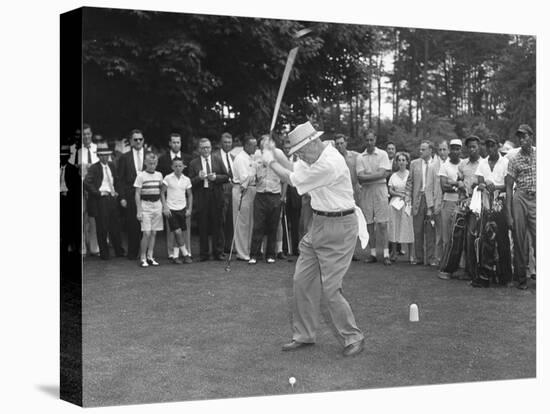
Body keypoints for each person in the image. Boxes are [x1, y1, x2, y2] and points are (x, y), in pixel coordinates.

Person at [261, 121, 367, 357]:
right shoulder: (314, 156)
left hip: (340, 228)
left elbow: (293, 179)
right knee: (301, 280)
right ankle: (304, 335)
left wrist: (269, 161)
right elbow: (295, 169)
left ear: (312, 142)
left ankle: (353, 337)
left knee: (330, 289)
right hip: (319, 223)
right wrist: (273, 151)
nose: (299, 156)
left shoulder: (330, 163)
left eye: (300, 152)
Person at [472, 135, 512, 287]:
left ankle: (505, 277)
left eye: (493, 145)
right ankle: (484, 277)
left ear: (498, 146)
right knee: (486, 240)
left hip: (500, 203)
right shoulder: (483, 163)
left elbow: (509, 185)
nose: (490, 148)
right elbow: (479, 182)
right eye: (488, 146)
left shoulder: (506, 162)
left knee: (502, 241)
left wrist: (495, 186)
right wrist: (484, 186)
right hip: (486, 203)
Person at [188, 138, 229, 261]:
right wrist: (198, 178)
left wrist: (216, 177)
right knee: (203, 225)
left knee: (218, 224)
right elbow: (189, 182)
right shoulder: (193, 163)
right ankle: (204, 254)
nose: (206, 150)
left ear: (211, 148)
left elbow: (227, 176)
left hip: (216, 196)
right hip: (202, 196)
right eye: (203, 148)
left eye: (208, 147)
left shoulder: (217, 159)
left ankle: (218, 252)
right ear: (199, 149)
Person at [506, 124, 536, 290]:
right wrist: (509, 214)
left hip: (537, 197)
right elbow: (509, 187)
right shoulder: (514, 158)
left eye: (525, 136)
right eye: (520, 137)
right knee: (519, 238)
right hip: (520, 197)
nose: (523, 140)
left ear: (531, 137)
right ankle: (521, 278)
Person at [84, 141, 125, 260]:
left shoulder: (112, 166)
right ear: (98, 156)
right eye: (102, 155)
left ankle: (119, 251)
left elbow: (116, 181)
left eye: (107, 155)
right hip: (101, 200)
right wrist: (98, 192)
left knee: (115, 226)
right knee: (102, 227)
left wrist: (119, 194)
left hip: (112, 198)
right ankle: (104, 253)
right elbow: (86, 182)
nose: (105, 157)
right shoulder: (94, 168)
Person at [356, 129, 392, 265]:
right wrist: (378, 174)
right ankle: (372, 253)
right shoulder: (360, 157)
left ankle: (386, 254)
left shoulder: (382, 154)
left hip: (380, 190)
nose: (369, 142)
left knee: (382, 223)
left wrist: (368, 176)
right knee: (369, 223)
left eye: (372, 140)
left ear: (375, 139)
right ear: (365, 141)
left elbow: (384, 173)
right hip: (366, 192)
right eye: (367, 140)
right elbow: (360, 177)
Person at [248, 135, 285, 264]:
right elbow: (252, 177)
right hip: (260, 195)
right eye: (263, 144)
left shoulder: (278, 156)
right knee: (258, 226)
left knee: (273, 226)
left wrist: (282, 196)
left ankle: (271, 254)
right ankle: (254, 254)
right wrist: (257, 172)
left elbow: (284, 178)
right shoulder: (256, 157)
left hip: (275, 195)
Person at [437, 138, 465, 280]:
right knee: (447, 235)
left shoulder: (464, 164)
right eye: (452, 148)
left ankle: (460, 265)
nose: (455, 151)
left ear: (461, 150)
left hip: (462, 202)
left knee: (460, 234)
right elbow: (444, 187)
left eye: (457, 148)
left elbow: (465, 184)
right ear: (450, 150)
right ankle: (446, 263)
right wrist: (457, 184)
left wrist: (453, 184)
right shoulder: (444, 165)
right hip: (448, 201)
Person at [157, 133, 187, 261]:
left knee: (182, 229)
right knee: (172, 229)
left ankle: (183, 252)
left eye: (178, 142)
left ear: (181, 143)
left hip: (182, 199)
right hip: (169, 201)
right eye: (173, 142)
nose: (176, 144)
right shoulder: (163, 159)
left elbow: (188, 179)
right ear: (170, 143)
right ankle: (171, 253)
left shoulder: (187, 157)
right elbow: (160, 179)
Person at [118, 129, 146, 260]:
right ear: (130, 141)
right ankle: (133, 252)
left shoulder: (150, 155)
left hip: (147, 193)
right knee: (132, 224)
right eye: (135, 139)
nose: (138, 141)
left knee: (147, 224)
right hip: (130, 193)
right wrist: (122, 197)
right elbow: (120, 179)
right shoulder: (124, 157)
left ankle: (145, 252)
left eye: (140, 139)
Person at [405, 140, 435, 265]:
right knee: (417, 230)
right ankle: (418, 257)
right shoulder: (414, 164)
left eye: (423, 149)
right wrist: (407, 198)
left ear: (430, 150)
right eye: (420, 149)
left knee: (431, 229)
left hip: (431, 200)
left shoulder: (437, 163)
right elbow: (409, 182)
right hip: (418, 199)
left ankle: (431, 258)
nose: (420, 151)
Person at [72, 123, 100, 257]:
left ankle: (94, 247)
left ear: (91, 134)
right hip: (81, 188)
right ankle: (82, 246)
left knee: (94, 218)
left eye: (88, 133)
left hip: (94, 189)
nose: (86, 136)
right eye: (84, 134)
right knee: (82, 218)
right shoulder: (77, 150)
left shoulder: (97, 148)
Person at [134, 152, 164, 267]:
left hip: (157, 205)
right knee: (146, 233)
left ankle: (150, 256)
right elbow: (137, 193)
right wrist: (139, 210)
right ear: (145, 163)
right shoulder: (141, 175)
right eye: (150, 163)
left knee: (154, 232)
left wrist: (163, 205)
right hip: (145, 206)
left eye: (154, 163)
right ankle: (142, 257)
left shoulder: (159, 175)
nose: (152, 165)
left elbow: (161, 191)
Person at [231, 136, 259, 261]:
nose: (256, 147)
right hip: (242, 190)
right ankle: (242, 252)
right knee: (242, 222)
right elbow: (244, 178)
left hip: (252, 189)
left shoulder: (251, 157)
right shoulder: (240, 158)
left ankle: (248, 249)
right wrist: (257, 175)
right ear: (246, 145)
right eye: (254, 145)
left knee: (250, 222)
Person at [161, 157, 193, 264]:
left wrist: (189, 209)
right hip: (171, 210)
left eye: (180, 166)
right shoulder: (168, 178)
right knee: (177, 232)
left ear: (184, 167)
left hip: (182, 209)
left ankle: (175, 256)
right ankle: (185, 254)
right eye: (176, 166)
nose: (178, 168)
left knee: (179, 233)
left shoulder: (187, 179)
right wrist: (165, 207)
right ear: (172, 167)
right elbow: (162, 193)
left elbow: (190, 195)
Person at [459, 135, 482, 281]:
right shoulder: (463, 164)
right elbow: (459, 180)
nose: (472, 149)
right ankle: (467, 270)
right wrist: (459, 183)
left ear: (478, 147)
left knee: (472, 236)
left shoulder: (483, 164)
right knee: (464, 236)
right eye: (470, 147)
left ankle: (475, 270)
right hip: (464, 203)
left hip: (478, 205)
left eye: (474, 146)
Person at [425, 140, 449, 267]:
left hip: (451, 202)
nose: (442, 152)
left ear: (448, 150)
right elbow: (428, 188)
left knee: (450, 233)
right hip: (438, 203)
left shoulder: (455, 164)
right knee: (439, 234)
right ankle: (439, 258)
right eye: (440, 150)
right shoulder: (433, 166)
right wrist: (430, 206)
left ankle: (451, 258)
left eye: (444, 149)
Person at [388, 152, 414, 263]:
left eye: (404, 160)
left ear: (407, 162)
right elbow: (390, 190)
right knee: (394, 227)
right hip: (395, 203)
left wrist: (406, 196)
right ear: (397, 162)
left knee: (408, 227)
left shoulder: (410, 174)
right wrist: (399, 195)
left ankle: (411, 255)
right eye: (399, 160)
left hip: (407, 203)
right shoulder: (393, 176)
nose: (401, 162)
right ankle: (394, 253)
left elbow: (413, 188)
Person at [212, 132, 235, 254]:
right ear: (221, 143)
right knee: (221, 220)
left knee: (231, 220)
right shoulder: (214, 156)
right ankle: (219, 248)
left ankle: (228, 246)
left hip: (232, 192)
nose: (227, 144)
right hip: (220, 191)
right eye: (225, 142)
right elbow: (215, 175)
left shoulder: (233, 157)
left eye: (229, 142)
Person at [281, 139, 302, 256]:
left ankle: (295, 248)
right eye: (285, 148)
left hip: (295, 194)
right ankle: (284, 248)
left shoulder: (297, 160)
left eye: (289, 148)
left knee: (295, 223)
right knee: (284, 222)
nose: (287, 150)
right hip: (284, 194)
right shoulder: (280, 160)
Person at [60, 144, 81, 256]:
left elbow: (76, 188)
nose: (62, 158)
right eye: (60, 155)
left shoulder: (73, 170)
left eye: (64, 156)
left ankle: (71, 245)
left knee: (69, 223)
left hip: (68, 200)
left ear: (68, 157)